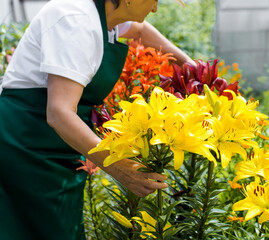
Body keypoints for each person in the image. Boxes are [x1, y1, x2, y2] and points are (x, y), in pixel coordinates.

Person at [0, 0, 194, 239]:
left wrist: (190, 68)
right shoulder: (76, 20)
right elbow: (59, 112)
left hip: (58, 149)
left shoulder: (106, 17)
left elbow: (141, 31)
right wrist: (120, 168)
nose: (155, 8)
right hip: (25, 146)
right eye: (154, 0)